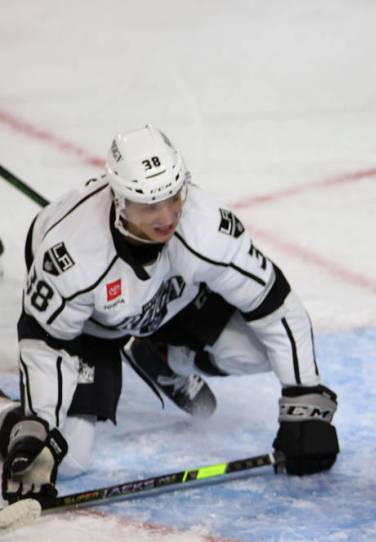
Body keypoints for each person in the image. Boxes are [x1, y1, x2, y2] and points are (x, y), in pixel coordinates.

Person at [1, 125, 339, 507]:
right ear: (120, 202)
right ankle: (4, 411)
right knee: (72, 460)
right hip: (96, 327)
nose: (167, 216)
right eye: (149, 205)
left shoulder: (205, 226)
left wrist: (304, 395)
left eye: (173, 196)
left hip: (170, 299)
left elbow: (273, 301)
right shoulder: (72, 259)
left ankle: (163, 356)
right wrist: (37, 427)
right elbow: (47, 345)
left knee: (260, 352)